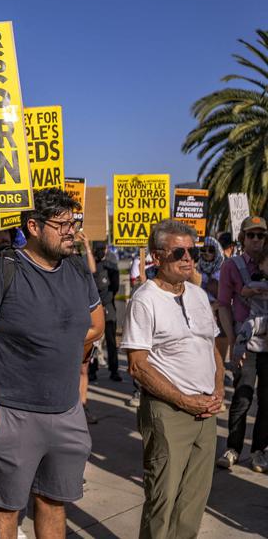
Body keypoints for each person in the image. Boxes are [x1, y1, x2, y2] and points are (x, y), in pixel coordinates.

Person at [0, 188, 105, 539]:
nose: (71, 231)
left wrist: (65, 349)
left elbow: (97, 324)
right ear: (33, 226)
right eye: (61, 223)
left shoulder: (77, 271)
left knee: (53, 502)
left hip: (66, 413)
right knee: (6, 510)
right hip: (13, 414)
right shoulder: (0, 270)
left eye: (73, 222)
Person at [122, 219, 224, 538]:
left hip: (206, 411)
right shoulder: (144, 299)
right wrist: (183, 400)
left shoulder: (198, 294)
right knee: (162, 499)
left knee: (193, 500)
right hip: (169, 412)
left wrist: (219, 390)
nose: (187, 258)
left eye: (192, 251)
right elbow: (138, 366)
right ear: (156, 256)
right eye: (178, 251)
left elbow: (213, 348)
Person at [217, 215, 268, 471]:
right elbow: (223, 306)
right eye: (251, 235)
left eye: (261, 235)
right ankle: (233, 448)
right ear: (242, 238)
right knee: (242, 396)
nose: (256, 240)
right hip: (246, 342)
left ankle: (259, 451)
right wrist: (233, 338)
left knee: (267, 400)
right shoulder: (232, 266)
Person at [88, 241, 123, 382]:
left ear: (106, 249)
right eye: (98, 249)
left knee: (111, 342)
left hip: (108, 308)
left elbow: (114, 288)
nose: (100, 251)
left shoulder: (111, 267)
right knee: (93, 342)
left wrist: (105, 304)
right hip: (93, 308)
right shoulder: (90, 266)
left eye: (102, 249)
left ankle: (114, 370)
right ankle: (92, 370)